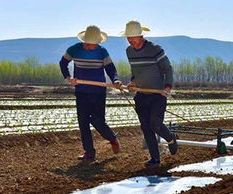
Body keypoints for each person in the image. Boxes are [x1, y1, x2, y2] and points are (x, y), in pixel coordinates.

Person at [59, 25, 122, 161]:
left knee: (98, 120)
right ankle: (89, 152)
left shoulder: (102, 51)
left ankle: (112, 139)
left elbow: (111, 68)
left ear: (98, 43)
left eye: (93, 45)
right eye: (88, 44)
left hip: (98, 92)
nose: (90, 47)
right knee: (83, 122)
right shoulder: (74, 49)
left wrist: (115, 80)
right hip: (81, 91)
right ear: (84, 41)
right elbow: (63, 63)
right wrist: (68, 78)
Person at [121, 20, 178, 167]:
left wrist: (167, 87)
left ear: (141, 36)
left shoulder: (155, 49)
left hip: (158, 94)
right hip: (141, 95)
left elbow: (168, 69)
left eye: (133, 38)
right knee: (146, 127)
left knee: (155, 124)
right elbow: (135, 71)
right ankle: (155, 159)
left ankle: (171, 138)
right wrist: (133, 82)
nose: (131, 41)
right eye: (128, 38)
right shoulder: (129, 51)